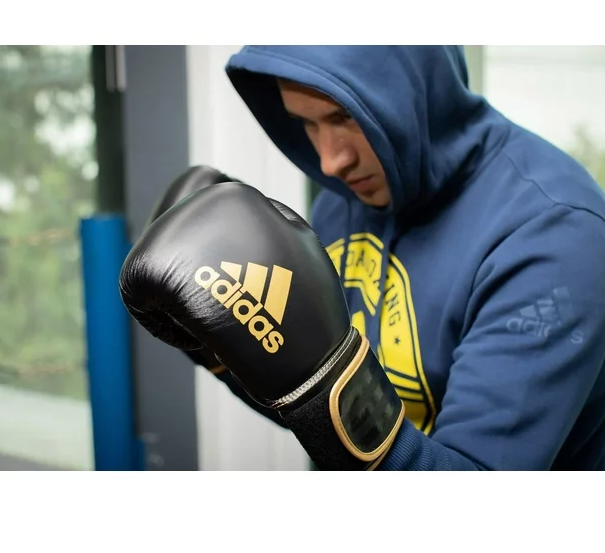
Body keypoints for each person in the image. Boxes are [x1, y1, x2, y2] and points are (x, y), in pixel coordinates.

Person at [121, 46, 605, 470]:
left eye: (343, 118)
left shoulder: (554, 237)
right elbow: (326, 420)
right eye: (307, 123)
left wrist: (329, 392)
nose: (331, 161)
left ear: (417, 90)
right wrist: (215, 349)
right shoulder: (347, 200)